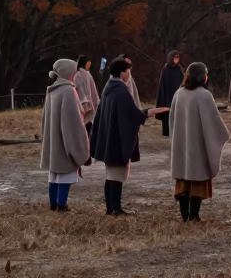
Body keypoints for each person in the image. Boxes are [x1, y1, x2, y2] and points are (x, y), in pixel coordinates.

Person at [90, 57, 167, 216]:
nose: (130, 73)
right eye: (128, 70)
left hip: (109, 138)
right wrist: (149, 113)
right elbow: (132, 114)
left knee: (111, 174)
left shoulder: (108, 89)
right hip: (117, 139)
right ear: (122, 72)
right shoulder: (121, 90)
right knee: (117, 174)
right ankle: (115, 208)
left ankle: (110, 207)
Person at [169, 61, 230, 223]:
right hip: (198, 146)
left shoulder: (178, 94)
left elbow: (172, 121)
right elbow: (213, 123)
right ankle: (194, 215)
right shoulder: (204, 95)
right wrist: (222, 135)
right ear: (202, 76)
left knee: (183, 179)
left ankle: (185, 215)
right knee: (197, 178)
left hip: (181, 144)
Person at [40, 59, 91, 212]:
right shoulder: (68, 91)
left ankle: (54, 203)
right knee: (65, 174)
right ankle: (62, 204)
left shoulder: (52, 90)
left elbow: (45, 120)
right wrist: (79, 144)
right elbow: (72, 121)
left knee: (54, 174)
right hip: (64, 141)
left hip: (54, 140)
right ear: (69, 73)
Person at [155, 50, 184, 138]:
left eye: (177, 57)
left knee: (176, 114)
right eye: (175, 57)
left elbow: (182, 80)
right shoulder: (166, 69)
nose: (176, 59)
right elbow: (163, 84)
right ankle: (166, 131)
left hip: (177, 94)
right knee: (167, 113)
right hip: (167, 95)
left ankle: (175, 131)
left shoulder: (179, 68)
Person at [73, 55, 100, 133]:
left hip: (90, 105)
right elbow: (79, 90)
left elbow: (93, 90)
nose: (89, 65)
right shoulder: (77, 75)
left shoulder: (88, 75)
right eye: (88, 63)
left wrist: (96, 102)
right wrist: (85, 103)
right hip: (82, 105)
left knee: (89, 126)